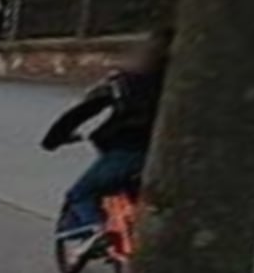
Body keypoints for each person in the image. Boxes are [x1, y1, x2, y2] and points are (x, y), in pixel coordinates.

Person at [42, 28, 172, 244]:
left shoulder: (125, 82)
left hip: (129, 149)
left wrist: (53, 139)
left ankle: (96, 228)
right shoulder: (182, 83)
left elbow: (82, 111)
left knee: (81, 193)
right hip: (169, 154)